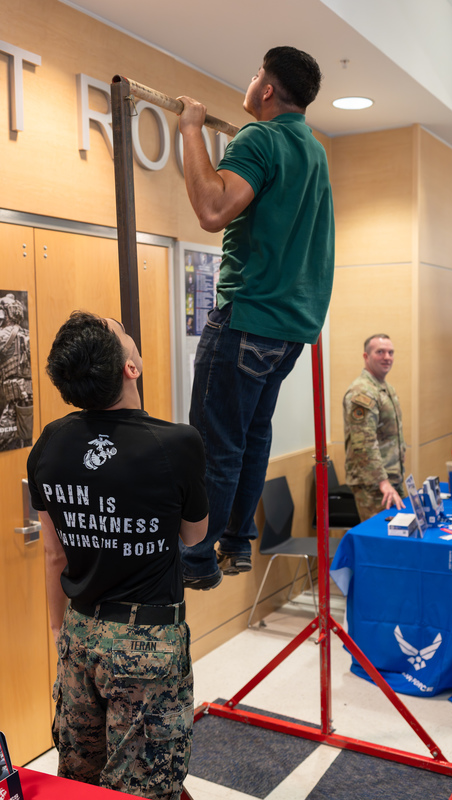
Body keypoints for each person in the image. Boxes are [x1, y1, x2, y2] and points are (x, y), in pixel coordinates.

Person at [27, 311, 209, 798]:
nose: (128, 333)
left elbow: (53, 554)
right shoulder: (178, 443)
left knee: (81, 781)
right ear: (132, 368)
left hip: (79, 634)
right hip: (146, 644)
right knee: (145, 787)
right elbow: (193, 536)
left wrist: (59, 630)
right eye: (124, 333)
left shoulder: (50, 442)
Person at [176, 46, 334, 588]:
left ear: (267, 89)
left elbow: (212, 210)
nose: (250, 82)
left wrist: (192, 129)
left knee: (214, 447)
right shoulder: (313, 152)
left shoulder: (261, 138)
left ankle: (195, 560)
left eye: (254, 75)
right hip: (290, 330)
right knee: (250, 438)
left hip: (248, 318)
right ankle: (237, 541)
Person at [343, 334, 406, 521]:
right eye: (380, 352)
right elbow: (364, 444)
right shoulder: (362, 392)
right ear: (366, 356)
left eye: (390, 352)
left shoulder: (386, 388)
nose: (387, 357)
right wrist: (382, 482)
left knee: (396, 538)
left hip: (390, 479)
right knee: (380, 540)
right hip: (373, 485)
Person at [0, 292, 33, 451]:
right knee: (25, 440)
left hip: (11, 403)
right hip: (27, 401)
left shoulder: (2, 336)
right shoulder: (27, 334)